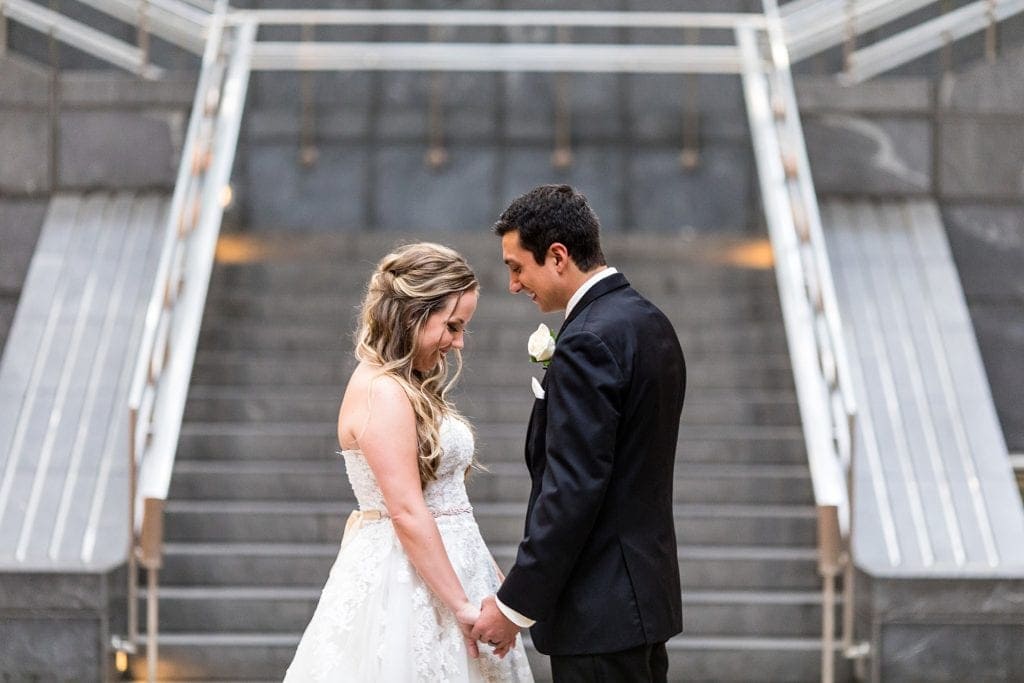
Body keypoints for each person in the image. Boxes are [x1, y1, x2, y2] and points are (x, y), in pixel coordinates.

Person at [284, 243, 533, 682]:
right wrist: (460, 605)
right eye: (452, 326)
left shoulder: (405, 384)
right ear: (413, 314)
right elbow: (406, 508)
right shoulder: (383, 391)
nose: (458, 343)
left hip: (453, 567)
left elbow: (447, 501)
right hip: (410, 582)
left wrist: (492, 582)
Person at [472, 185, 687, 682]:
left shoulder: (588, 339)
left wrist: (514, 606)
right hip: (641, 600)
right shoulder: (649, 322)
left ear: (558, 256)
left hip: (599, 610)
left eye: (516, 266)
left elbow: (572, 490)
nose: (513, 284)